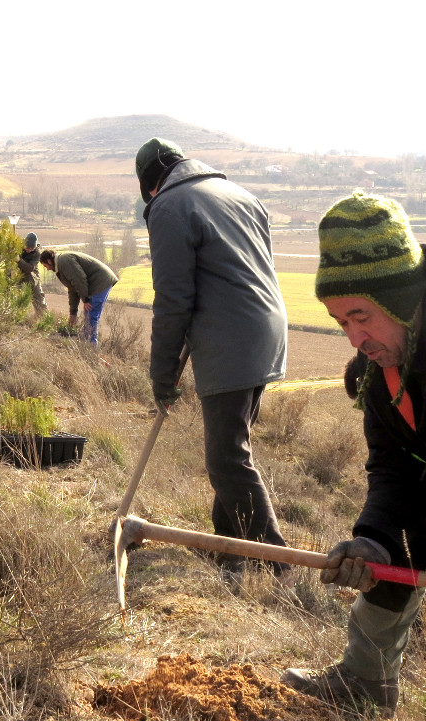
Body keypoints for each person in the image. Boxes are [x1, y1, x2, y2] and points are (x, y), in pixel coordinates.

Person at [281, 191, 426, 718]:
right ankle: (367, 683)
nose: (355, 338)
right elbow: (392, 469)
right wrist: (375, 541)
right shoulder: (377, 375)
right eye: (342, 321)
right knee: (393, 561)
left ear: (400, 297)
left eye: (361, 315)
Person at [133, 137, 291, 586]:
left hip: (232, 339)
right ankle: (229, 555)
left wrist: (162, 377)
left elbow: (173, 300)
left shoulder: (169, 207)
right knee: (230, 448)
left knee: (226, 459)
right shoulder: (242, 195)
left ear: (149, 184)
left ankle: (279, 570)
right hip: (267, 330)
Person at [38, 249, 118, 344]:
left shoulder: (64, 261)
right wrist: (73, 312)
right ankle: (86, 342)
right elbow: (72, 289)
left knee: (90, 314)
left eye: (45, 265)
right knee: (89, 314)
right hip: (98, 281)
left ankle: (91, 346)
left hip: (100, 281)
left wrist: (86, 299)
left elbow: (79, 280)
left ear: (49, 261)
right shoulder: (61, 266)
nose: (47, 268)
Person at [17, 232, 48, 316]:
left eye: (32, 248)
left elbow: (30, 268)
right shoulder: (17, 247)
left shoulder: (37, 253)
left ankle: (42, 319)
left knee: (39, 300)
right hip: (18, 278)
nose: (29, 250)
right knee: (16, 301)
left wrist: (19, 260)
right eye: (27, 247)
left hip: (33, 278)